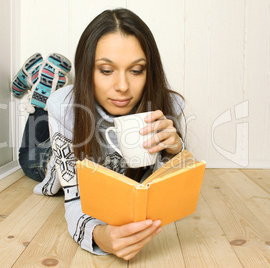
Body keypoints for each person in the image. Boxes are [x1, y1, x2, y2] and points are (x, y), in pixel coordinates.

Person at [17, 8, 185, 260]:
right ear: (87, 71)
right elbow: (74, 199)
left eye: (136, 70)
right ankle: (41, 94)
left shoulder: (168, 106)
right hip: (55, 159)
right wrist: (98, 236)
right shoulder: (65, 108)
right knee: (31, 155)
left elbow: (170, 186)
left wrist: (176, 151)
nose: (123, 86)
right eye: (106, 71)